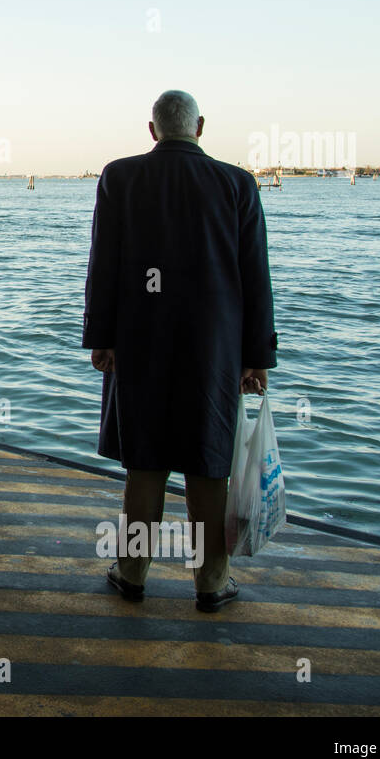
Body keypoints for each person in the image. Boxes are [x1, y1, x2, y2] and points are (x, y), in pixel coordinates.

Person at [82, 91, 277, 612]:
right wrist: (257, 355)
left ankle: (132, 574)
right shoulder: (237, 183)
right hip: (213, 348)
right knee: (208, 464)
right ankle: (210, 583)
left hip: (139, 342)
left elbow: (104, 263)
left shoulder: (119, 177)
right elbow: (255, 277)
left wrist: (100, 337)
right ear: (201, 126)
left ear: (152, 130)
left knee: (144, 463)